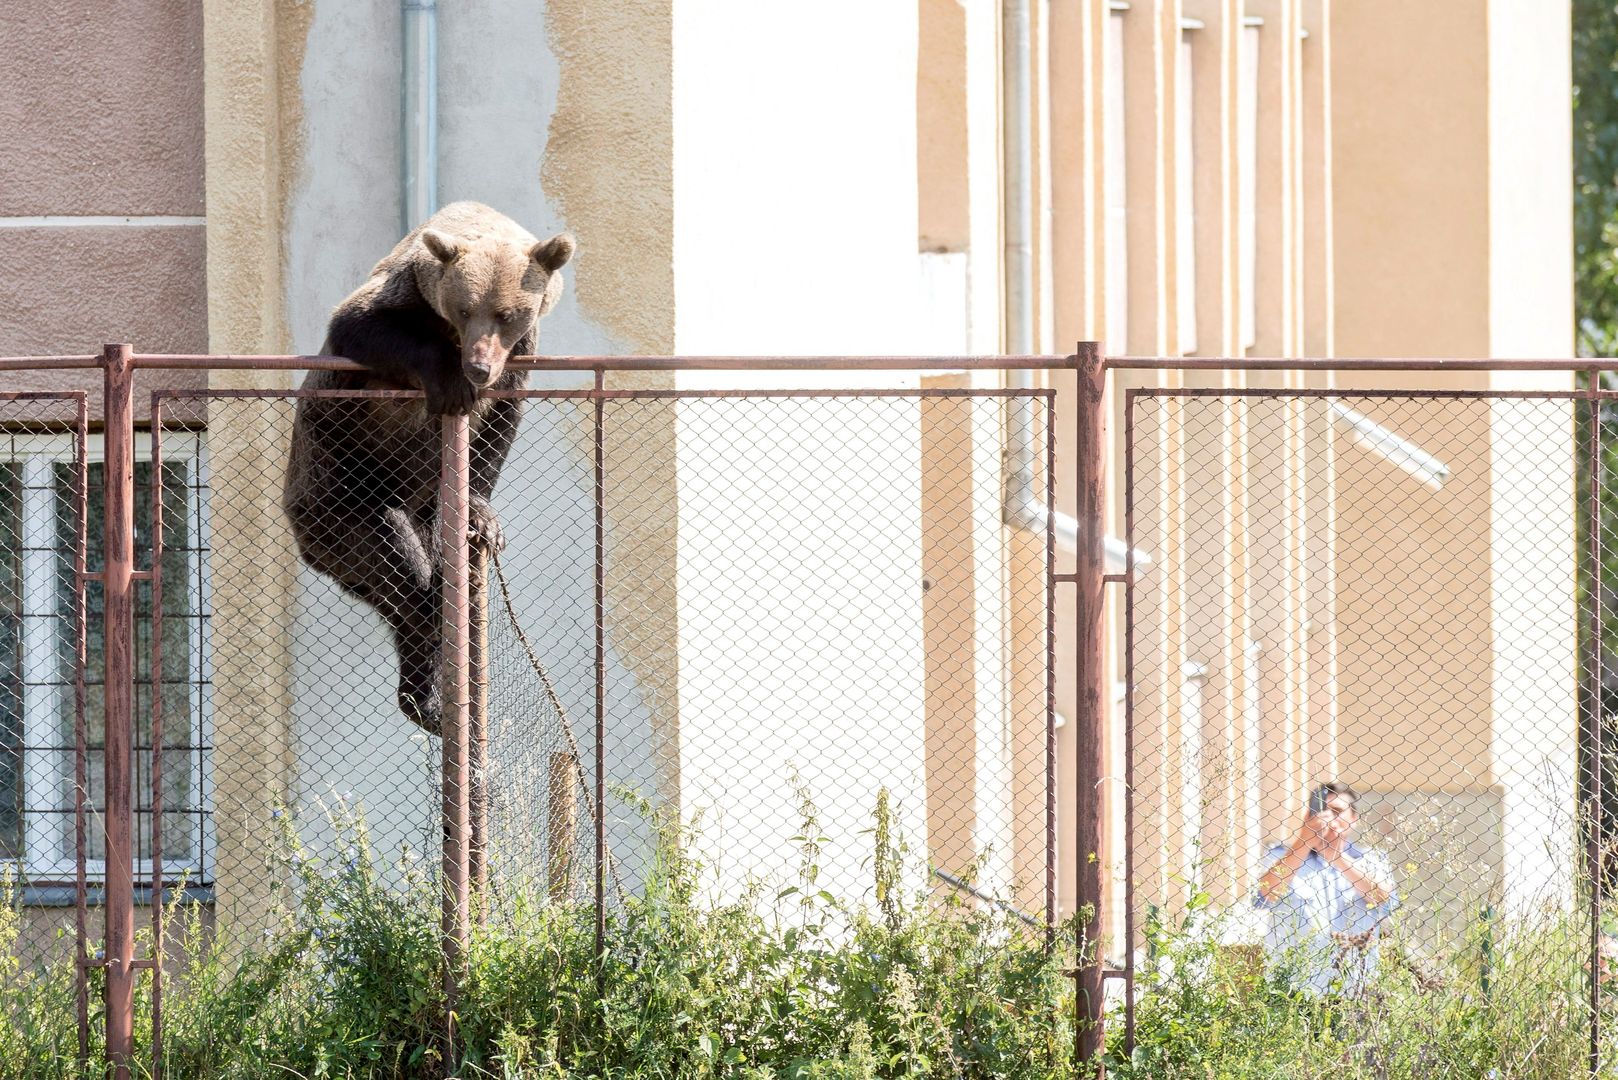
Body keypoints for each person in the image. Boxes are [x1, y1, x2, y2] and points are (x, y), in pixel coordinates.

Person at [1253, 781, 1397, 995]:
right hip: (1293, 988)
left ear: (1354, 819)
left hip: (1354, 989)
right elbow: (1264, 896)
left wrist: (1337, 858)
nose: (1329, 818)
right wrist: (1304, 841)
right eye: (1322, 811)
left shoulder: (1370, 859)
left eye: (1337, 811)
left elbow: (1385, 900)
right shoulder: (1281, 857)